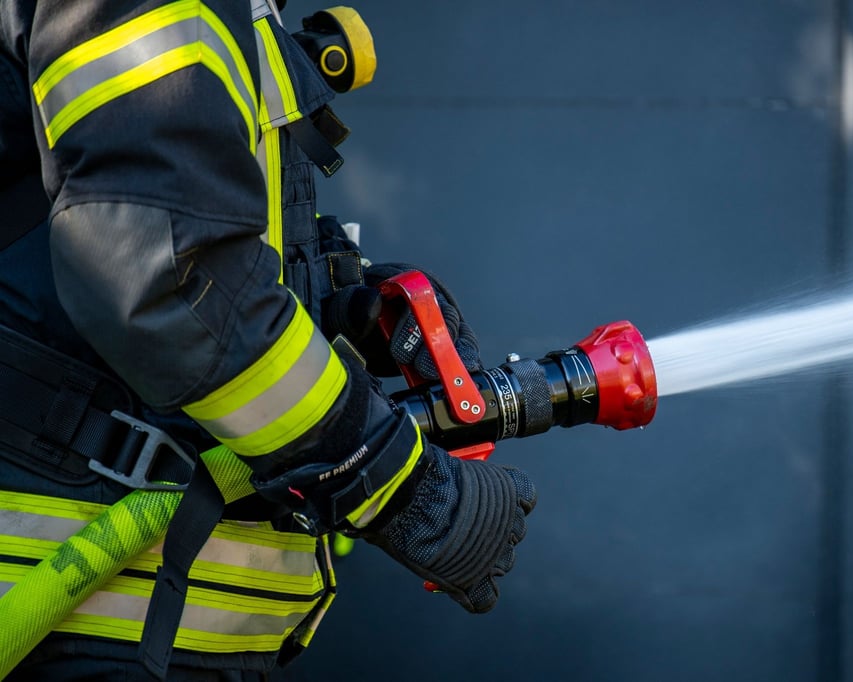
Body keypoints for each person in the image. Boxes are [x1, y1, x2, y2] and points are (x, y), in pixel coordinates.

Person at [0, 1, 536, 679]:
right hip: (65, 614)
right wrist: (402, 487)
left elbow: (146, 227)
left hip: (130, 625)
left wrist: (336, 307)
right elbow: (167, 279)